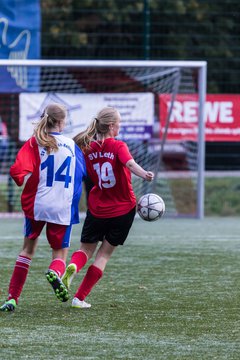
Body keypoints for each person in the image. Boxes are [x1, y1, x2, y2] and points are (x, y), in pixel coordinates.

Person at [62, 106, 154, 309]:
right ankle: (79, 298)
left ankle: (73, 266)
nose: (120, 126)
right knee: (103, 255)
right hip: (123, 210)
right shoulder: (118, 146)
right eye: (119, 123)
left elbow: (81, 175)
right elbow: (130, 165)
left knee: (85, 249)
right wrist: (144, 174)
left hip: (97, 209)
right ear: (112, 126)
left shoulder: (87, 149)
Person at [0, 103, 86, 312]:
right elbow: (82, 174)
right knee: (59, 254)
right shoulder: (72, 146)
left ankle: (12, 298)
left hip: (37, 204)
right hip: (62, 206)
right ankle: (55, 273)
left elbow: (17, 171)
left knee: (27, 250)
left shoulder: (35, 142)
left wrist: (23, 180)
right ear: (61, 122)